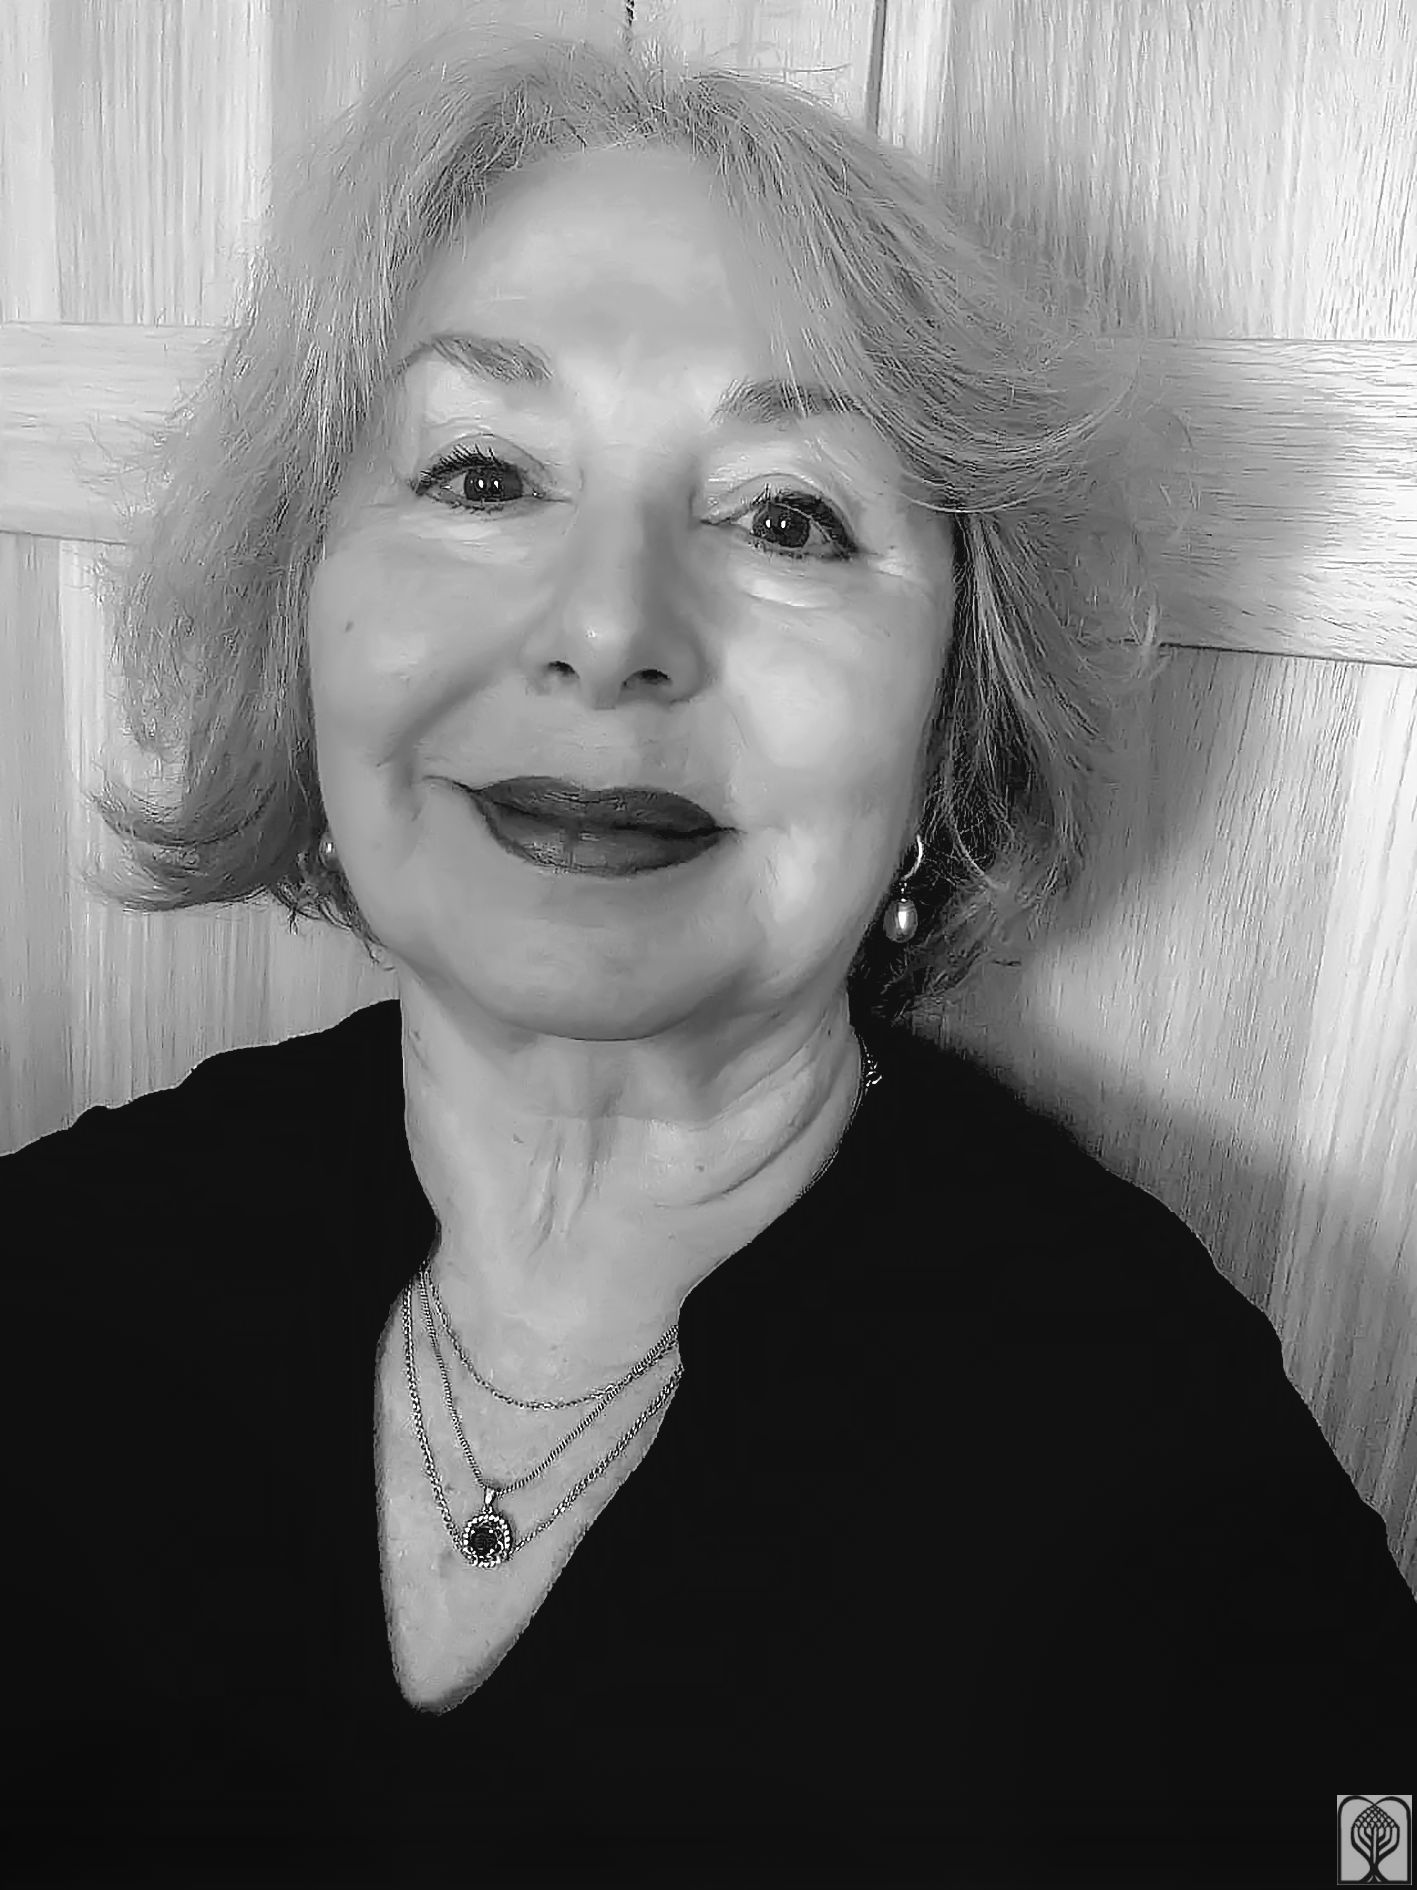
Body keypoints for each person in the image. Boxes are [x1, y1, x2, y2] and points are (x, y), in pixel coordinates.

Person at [5, 23, 1412, 1890]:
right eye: (484, 475)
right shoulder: (53, 1279)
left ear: (951, 710)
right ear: (304, 614)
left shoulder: (1161, 1472)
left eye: (785, 517)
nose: (610, 630)